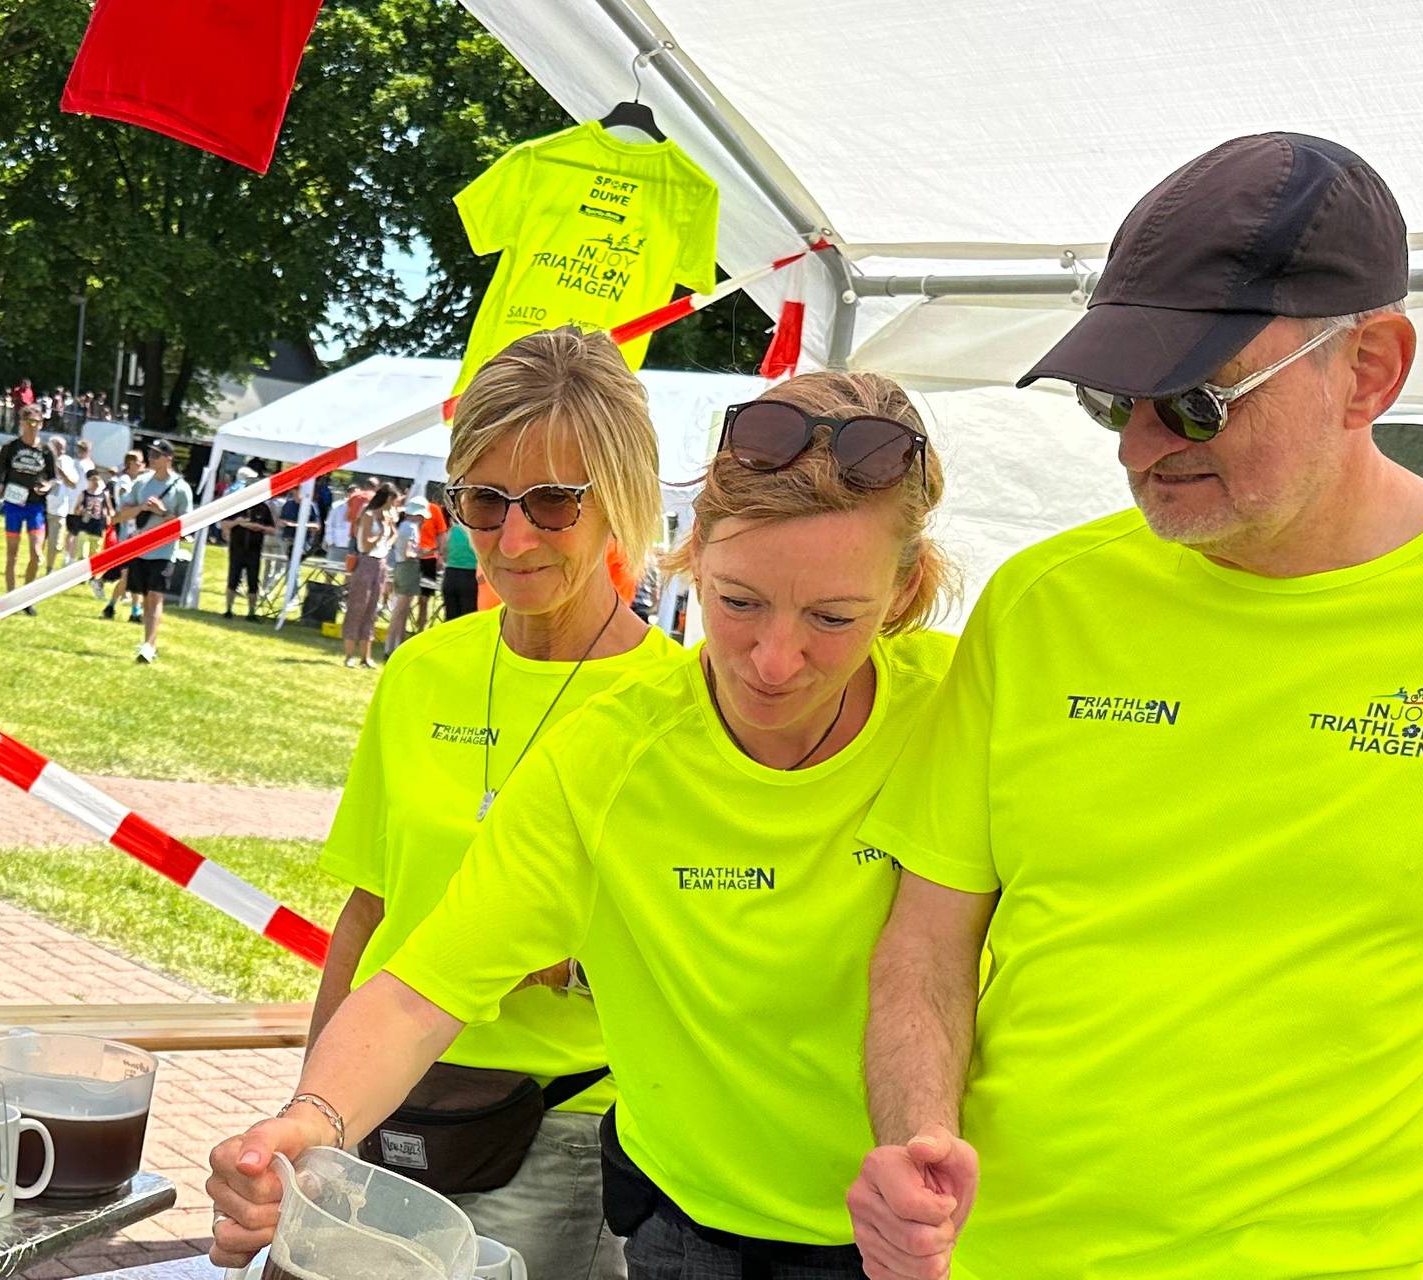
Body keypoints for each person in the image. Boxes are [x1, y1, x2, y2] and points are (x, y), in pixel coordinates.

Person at [848, 134, 1423, 1280]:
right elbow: (925, 937)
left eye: (1193, 404)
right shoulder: (1041, 600)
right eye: (1112, 401)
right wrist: (913, 1135)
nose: (1139, 449)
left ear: (1367, 370)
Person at [215, 365, 958, 1280]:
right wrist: (311, 1120)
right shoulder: (608, 749)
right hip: (688, 1225)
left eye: (835, 617)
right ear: (692, 559)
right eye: (737, 603)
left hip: (924, 1226)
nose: (774, 660)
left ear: (905, 588)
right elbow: (422, 988)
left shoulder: (967, 715)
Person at [274, 328, 684, 1279]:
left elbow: (705, 956)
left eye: (552, 501)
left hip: (561, 1125)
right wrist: (319, 1113)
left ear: (620, 496)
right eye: (483, 502)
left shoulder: (677, 706)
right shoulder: (421, 672)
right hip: (391, 1112)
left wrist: (580, 966)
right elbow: (367, 912)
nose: (513, 537)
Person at [114, 439, 194, 663]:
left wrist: (162, 512)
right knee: (146, 598)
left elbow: (186, 526)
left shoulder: (181, 488)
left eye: (157, 454)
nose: (152, 457)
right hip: (140, 549)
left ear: (169, 459)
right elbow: (123, 511)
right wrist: (141, 508)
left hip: (164, 551)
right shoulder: (142, 482)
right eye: (151, 453)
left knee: (156, 597)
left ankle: (149, 646)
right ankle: (148, 642)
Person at [0, 409, 59, 609]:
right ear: (22, 423)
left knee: (36, 553)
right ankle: (12, 598)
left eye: (36, 422)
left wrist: (48, 486)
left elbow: (54, 477)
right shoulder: (11, 447)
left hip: (35, 506)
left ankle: (27, 597)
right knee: (13, 553)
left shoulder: (46, 450)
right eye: (29, 422)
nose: (32, 426)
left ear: (42, 424)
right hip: (13, 505)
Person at [342, 482, 400, 668]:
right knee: (357, 607)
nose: (395, 505)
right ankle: (349, 655)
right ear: (388, 499)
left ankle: (365, 657)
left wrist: (389, 536)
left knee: (372, 610)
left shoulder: (387, 517)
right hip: (366, 561)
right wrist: (381, 534)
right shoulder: (368, 515)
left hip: (380, 563)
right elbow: (366, 545)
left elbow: (394, 537)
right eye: (394, 501)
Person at [221, 465, 279, 618]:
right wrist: (237, 522)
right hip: (237, 548)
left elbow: (273, 529)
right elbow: (224, 524)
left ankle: (251, 612)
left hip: (254, 550)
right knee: (233, 578)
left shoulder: (264, 509)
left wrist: (258, 527)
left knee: (253, 581)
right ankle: (228, 609)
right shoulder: (237, 506)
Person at [384, 495, 438, 656]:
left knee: (400, 610)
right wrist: (427, 552)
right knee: (400, 611)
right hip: (408, 568)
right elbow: (409, 552)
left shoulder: (404, 526)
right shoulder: (412, 527)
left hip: (401, 567)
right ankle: (392, 647)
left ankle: (394, 645)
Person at [101, 447, 146, 614]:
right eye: (140, 462)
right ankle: (113, 605)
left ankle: (132, 610)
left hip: (137, 531)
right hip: (127, 532)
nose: (143, 465)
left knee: (134, 574)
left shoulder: (137, 481)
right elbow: (126, 502)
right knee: (128, 574)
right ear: (131, 464)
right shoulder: (125, 480)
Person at [67, 439, 108, 567]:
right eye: (80, 449)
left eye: (82, 449)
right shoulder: (83, 464)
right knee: (74, 533)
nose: (80, 452)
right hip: (78, 502)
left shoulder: (82, 464)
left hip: (83, 503)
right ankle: (70, 557)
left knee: (76, 533)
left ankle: (71, 559)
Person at [43, 433, 80, 569]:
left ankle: (49, 568)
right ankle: (39, 563)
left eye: (63, 448)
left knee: (56, 544)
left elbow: (73, 483)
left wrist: (61, 472)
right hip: (42, 506)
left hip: (58, 510)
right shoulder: (43, 458)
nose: (61, 451)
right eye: (58, 447)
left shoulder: (67, 461)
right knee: (39, 538)